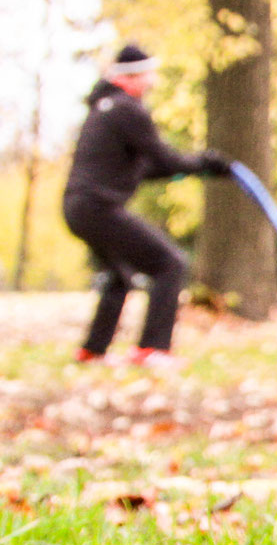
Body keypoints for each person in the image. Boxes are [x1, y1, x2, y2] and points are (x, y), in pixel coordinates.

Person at [62, 44, 231, 367]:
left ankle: (92, 352)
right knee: (169, 263)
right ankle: (152, 349)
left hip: (79, 208)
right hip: (98, 206)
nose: (153, 82)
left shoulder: (104, 108)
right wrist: (203, 162)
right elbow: (164, 157)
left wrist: (200, 167)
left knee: (119, 276)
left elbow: (149, 168)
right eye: (149, 74)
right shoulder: (127, 109)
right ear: (134, 76)